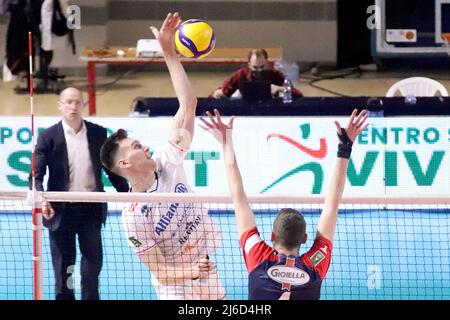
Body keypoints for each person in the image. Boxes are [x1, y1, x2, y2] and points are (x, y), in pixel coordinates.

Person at [100, 12, 225, 300]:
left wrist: (170, 53)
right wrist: (192, 271)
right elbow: (158, 271)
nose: (145, 147)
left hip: (205, 270)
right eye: (135, 147)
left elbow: (188, 104)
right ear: (124, 164)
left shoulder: (168, 160)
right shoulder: (132, 216)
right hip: (176, 287)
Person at [199, 108, 368, 300]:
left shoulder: (258, 257)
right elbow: (332, 203)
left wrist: (226, 143)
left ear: (272, 235)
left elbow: (238, 196)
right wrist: (344, 148)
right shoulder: (314, 265)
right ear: (304, 238)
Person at [30, 87, 129, 300]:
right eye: (68, 102)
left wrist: (130, 195)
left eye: (77, 102)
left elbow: (111, 169)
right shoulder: (48, 137)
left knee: (92, 268)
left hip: (90, 209)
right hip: (60, 211)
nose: (73, 106)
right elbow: (36, 175)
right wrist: (41, 197)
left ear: (83, 105)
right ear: (60, 106)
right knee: (65, 269)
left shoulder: (98, 133)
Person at [210, 48, 303, 99]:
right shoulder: (241, 74)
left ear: (267, 63)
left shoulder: (275, 74)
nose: (259, 71)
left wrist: (280, 88)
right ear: (249, 65)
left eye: (262, 67)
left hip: (271, 109)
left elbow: (298, 94)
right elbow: (220, 92)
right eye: (255, 67)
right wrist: (217, 94)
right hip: (245, 110)